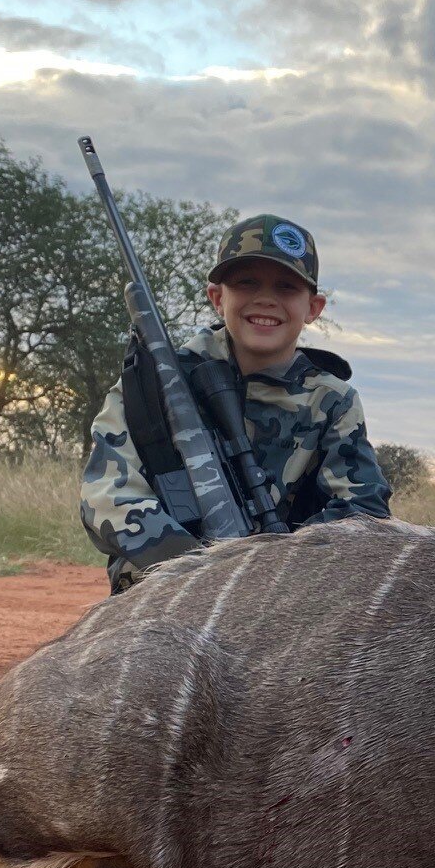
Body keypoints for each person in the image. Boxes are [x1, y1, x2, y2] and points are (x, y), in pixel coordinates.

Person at [81, 212, 391, 590]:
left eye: (287, 287)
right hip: (162, 592)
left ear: (314, 308)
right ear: (216, 297)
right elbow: (107, 494)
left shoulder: (334, 399)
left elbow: (364, 513)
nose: (266, 299)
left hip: (281, 593)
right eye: (246, 283)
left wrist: (268, 569)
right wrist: (201, 573)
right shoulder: (152, 380)